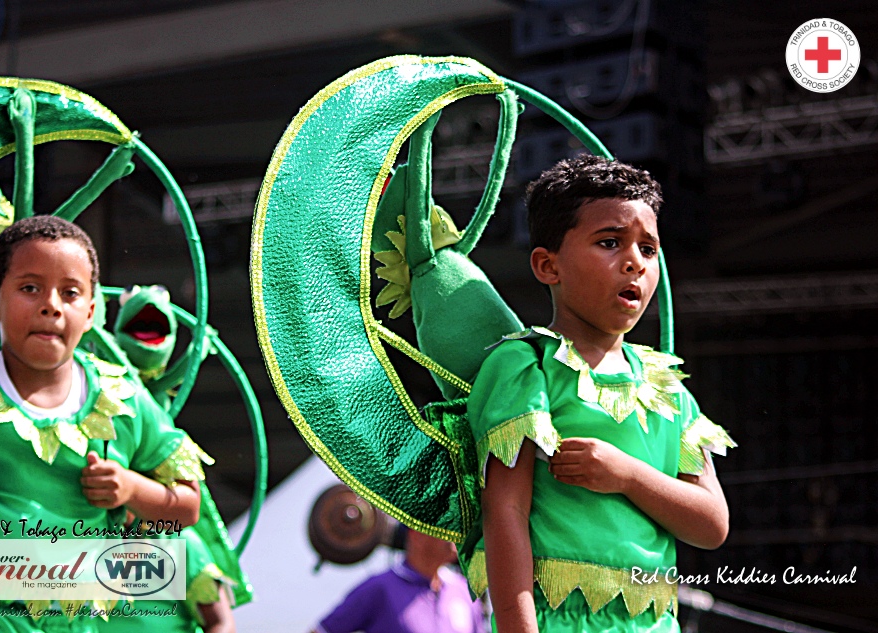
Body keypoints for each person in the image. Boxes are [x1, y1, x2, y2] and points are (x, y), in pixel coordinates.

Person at [464, 155, 735, 632]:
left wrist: (628, 475)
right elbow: (505, 512)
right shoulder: (526, 366)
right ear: (548, 266)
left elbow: (711, 525)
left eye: (648, 250)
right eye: (610, 242)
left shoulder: (665, 386)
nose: (634, 262)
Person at [0, 215, 210, 633]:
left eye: (70, 293)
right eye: (30, 287)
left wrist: (130, 488)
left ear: (90, 312)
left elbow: (187, 507)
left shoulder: (124, 400)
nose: (51, 304)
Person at [313, 529, 486, 633]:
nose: (455, 534)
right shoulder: (379, 588)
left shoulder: (464, 590)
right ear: (416, 535)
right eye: (445, 527)